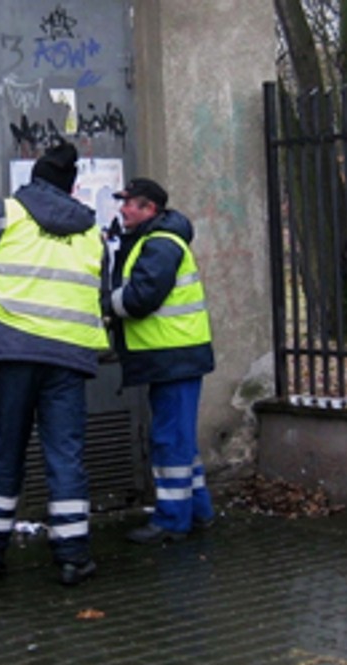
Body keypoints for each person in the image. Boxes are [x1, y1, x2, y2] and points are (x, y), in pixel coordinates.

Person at [0, 141, 110, 586]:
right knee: (65, 457)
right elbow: (101, 291)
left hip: (13, 352)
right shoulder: (90, 230)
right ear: (71, 185)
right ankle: (72, 558)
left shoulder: (4, 214)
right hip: (68, 358)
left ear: (35, 178)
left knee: (4, 450)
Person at [106, 178, 216, 545]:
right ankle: (198, 510)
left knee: (169, 440)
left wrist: (105, 305)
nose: (123, 209)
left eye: (131, 204)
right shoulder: (154, 240)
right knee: (180, 439)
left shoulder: (160, 244)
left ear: (149, 209)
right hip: (174, 355)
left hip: (174, 356)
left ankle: (172, 521)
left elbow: (141, 298)